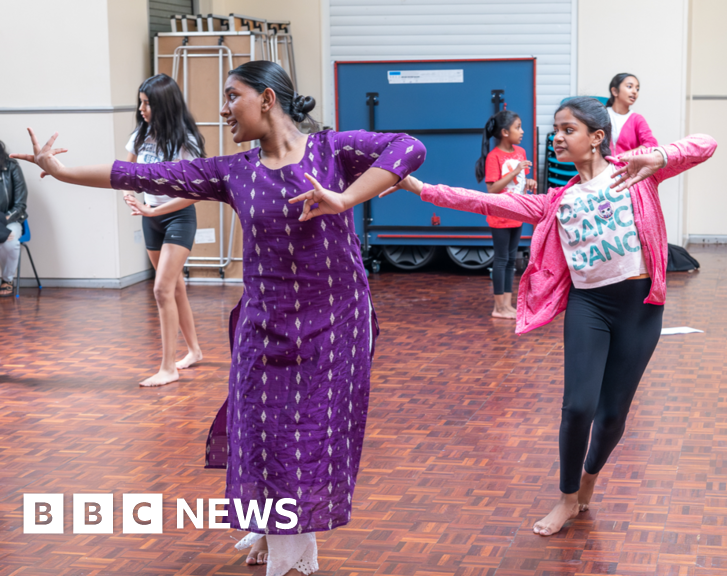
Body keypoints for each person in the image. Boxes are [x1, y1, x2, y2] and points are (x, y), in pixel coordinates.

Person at [13, 60, 426, 576]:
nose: (224, 108)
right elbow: (141, 173)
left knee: (309, 434)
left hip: (335, 323)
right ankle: (271, 528)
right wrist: (60, 171)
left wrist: (344, 197)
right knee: (261, 431)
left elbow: (409, 147)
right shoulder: (233, 170)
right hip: (264, 323)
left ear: (267, 100)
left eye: (233, 96)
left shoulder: (332, 151)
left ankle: (291, 552)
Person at [382, 97, 717, 536]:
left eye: (568, 129)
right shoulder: (559, 200)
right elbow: (486, 203)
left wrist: (658, 155)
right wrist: (421, 190)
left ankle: (588, 484)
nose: (557, 137)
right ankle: (565, 498)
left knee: (612, 415)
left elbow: (706, 143)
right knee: (578, 406)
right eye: (555, 129)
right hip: (589, 306)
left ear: (597, 138)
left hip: (638, 307)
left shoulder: (635, 174)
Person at [119, 74, 206, 387]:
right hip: (150, 217)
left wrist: (155, 209)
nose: (142, 109)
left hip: (179, 217)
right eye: (140, 102)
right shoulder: (140, 135)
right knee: (174, 287)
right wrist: (130, 193)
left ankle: (168, 367)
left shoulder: (186, 141)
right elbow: (126, 172)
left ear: (163, 104)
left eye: (147, 103)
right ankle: (194, 350)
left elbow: (197, 191)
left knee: (160, 289)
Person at [475, 109, 537, 319]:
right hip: (500, 215)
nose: (522, 131)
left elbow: (520, 184)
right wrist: (515, 170)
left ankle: (508, 305)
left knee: (512, 260)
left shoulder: (520, 152)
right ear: (504, 132)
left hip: (516, 214)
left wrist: (529, 182)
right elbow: (492, 189)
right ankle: (498, 307)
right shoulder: (494, 157)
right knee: (501, 259)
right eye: (517, 127)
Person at [0, 139, 28, 297]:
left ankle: (7, 279)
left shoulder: (11, 167)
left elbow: (20, 205)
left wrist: (3, 223)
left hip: (10, 219)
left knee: (9, 242)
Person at [605, 73, 658, 155]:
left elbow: (652, 144)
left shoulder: (637, 119)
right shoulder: (602, 115)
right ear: (615, 91)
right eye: (629, 87)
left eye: (637, 89)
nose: (634, 92)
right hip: (603, 166)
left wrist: (625, 157)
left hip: (627, 166)